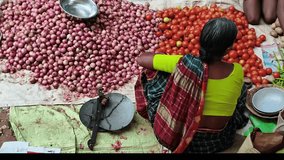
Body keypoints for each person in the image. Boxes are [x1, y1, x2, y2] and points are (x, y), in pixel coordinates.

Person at [134, 18, 249, 153]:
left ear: (201, 41)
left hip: (182, 137)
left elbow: (141, 60)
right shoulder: (237, 71)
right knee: (241, 89)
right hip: (219, 139)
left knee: (154, 71)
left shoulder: (186, 63)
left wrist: (164, 58)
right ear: (228, 49)